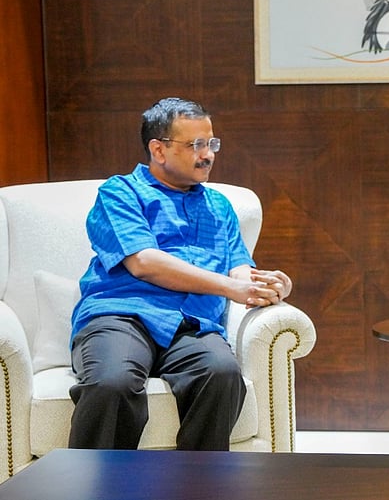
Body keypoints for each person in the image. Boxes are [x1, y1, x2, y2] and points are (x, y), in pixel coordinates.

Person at [68, 97, 293, 451]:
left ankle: (197, 486)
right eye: (196, 145)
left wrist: (273, 286)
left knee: (222, 374)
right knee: (112, 382)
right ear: (158, 149)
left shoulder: (219, 206)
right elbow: (144, 262)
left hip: (193, 324)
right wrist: (231, 287)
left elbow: (241, 273)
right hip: (121, 315)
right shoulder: (120, 192)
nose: (208, 154)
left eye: (211, 143)